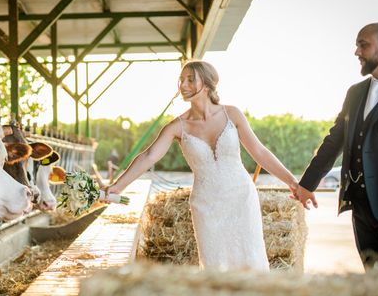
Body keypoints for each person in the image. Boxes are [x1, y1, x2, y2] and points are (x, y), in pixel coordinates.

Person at [106, 60, 298, 271]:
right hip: (206, 205)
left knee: (250, 262)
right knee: (214, 267)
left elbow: (260, 153)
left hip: (241, 199)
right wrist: (117, 187)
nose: (183, 85)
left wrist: (292, 182)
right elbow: (149, 156)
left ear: (206, 83)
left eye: (190, 79)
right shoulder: (177, 126)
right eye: (181, 80)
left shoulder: (232, 114)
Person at [296, 23, 378, 269]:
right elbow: (335, 140)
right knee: (372, 281)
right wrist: (307, 184)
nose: (356, 51)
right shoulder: (355, 93)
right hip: (361, 205)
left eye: (363, 45)